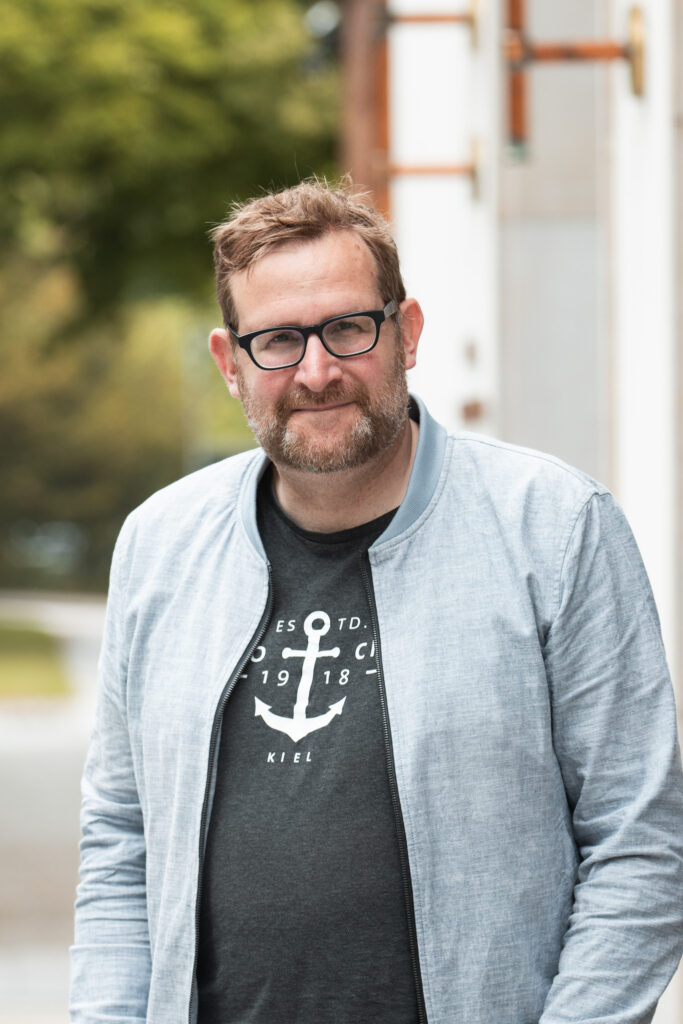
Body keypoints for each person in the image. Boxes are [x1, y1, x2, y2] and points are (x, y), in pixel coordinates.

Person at [70, 179, 683, 1024]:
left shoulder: (555, 528)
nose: (317, 372)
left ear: (407, 333)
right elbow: (120, 840)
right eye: (278, 340)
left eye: (348, 328)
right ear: (228, 362)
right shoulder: (159, 544)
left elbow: (640, 842)